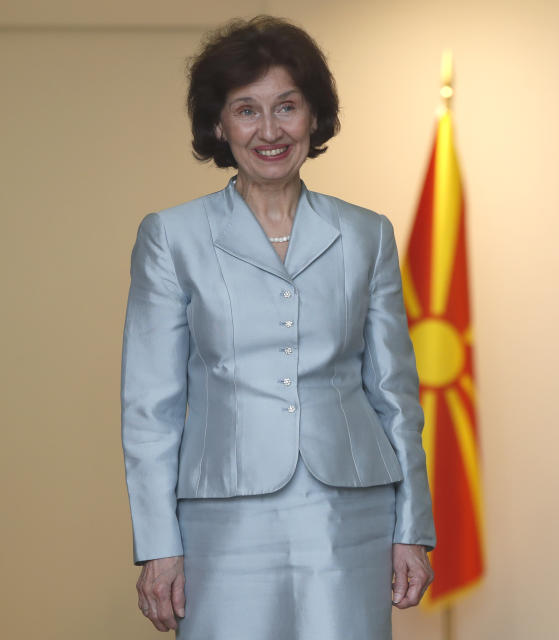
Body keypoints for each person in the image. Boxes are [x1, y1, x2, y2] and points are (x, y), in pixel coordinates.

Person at [120, 16, 435, 638]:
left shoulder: (366, 235)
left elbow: (395, 395)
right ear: (219, 125)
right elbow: (149, 408)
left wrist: (411, 526)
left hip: (351, 514)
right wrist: (158, 544)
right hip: (221, 519)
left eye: (286, 107)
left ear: (314, 118)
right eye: (247, 110)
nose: (269, 130)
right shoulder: (172, 237)